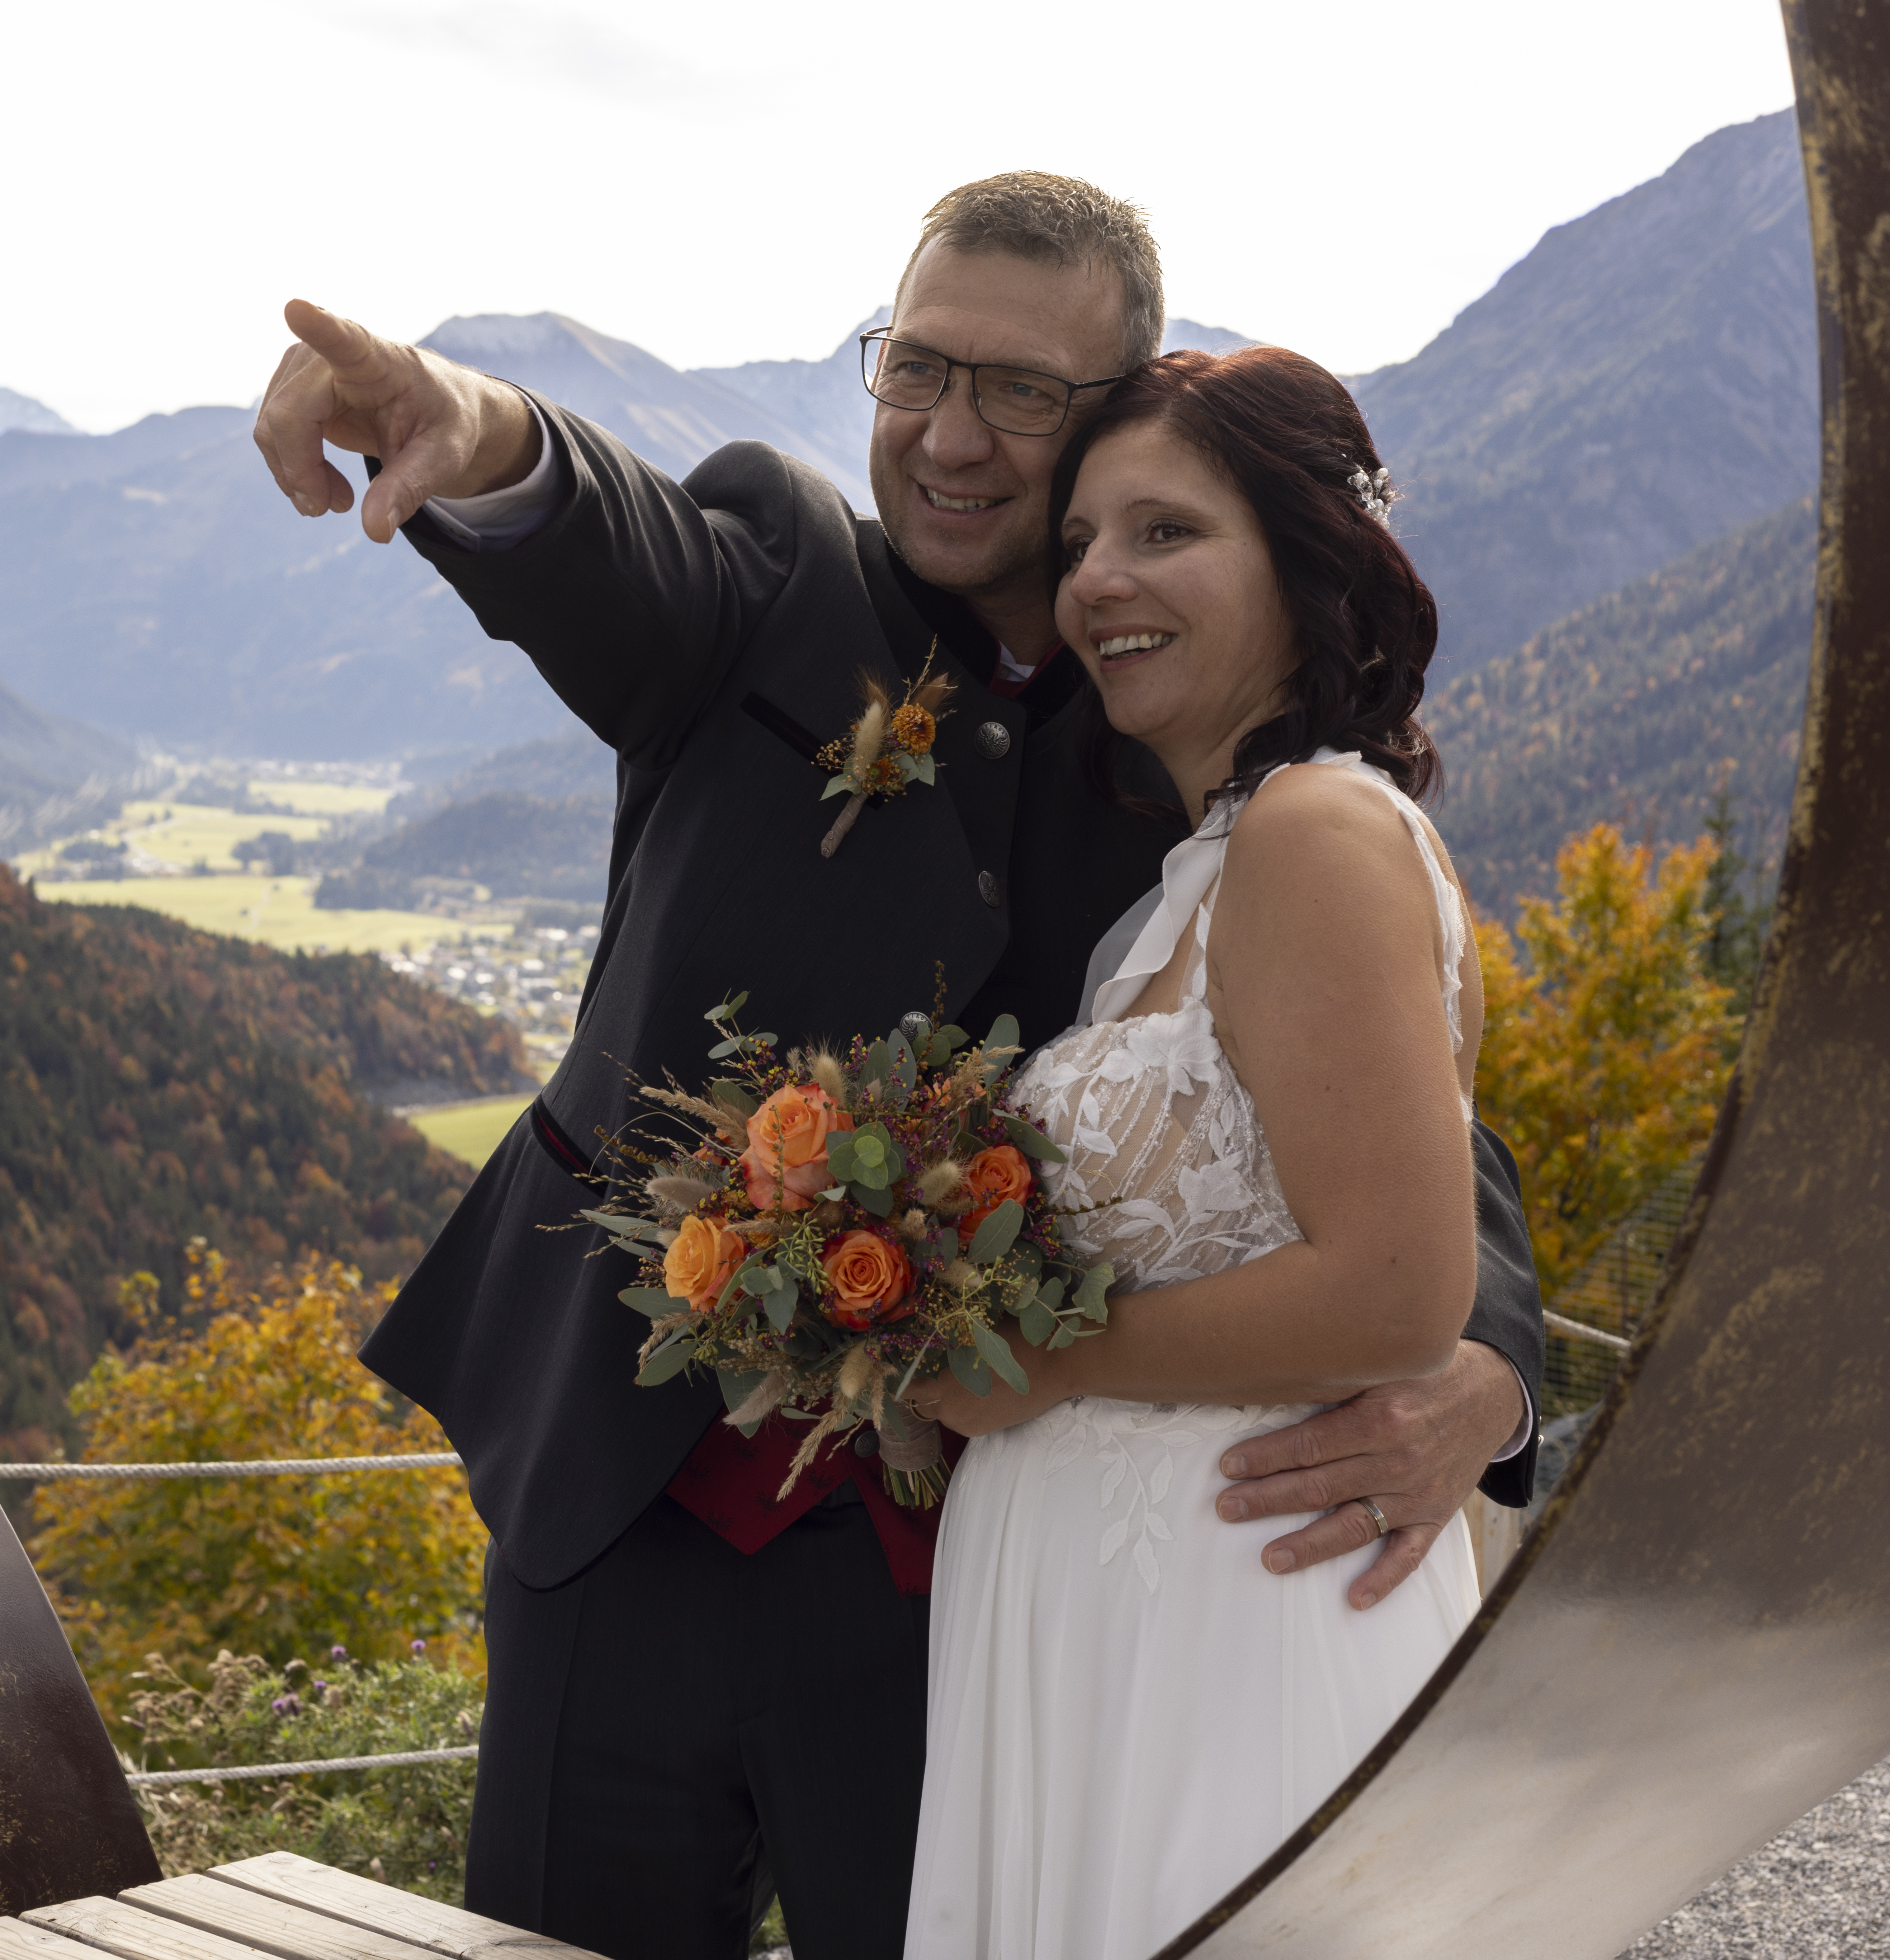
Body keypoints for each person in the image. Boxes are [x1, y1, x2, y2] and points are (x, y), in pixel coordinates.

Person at [251, 173, 1544, 1960]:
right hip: (618, 1505)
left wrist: (1489, 1361)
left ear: (1112, 413)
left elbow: (1369, 1101)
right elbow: (611, 546)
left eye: (1017, 391)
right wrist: (468, 426)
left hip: (962, 1584)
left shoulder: (1180, 735)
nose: (946, 433)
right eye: (914, 366)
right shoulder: (776, 569)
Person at [899, 347, 1487, 1957]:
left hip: (1233, 1633)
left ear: (1308, 568)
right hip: (1112, 1625)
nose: (1099, 579)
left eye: (1166, 532)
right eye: (1083, 541)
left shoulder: (1312, 836)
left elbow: (1397, 1291)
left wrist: (1045, 1362)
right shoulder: (1202, 877)